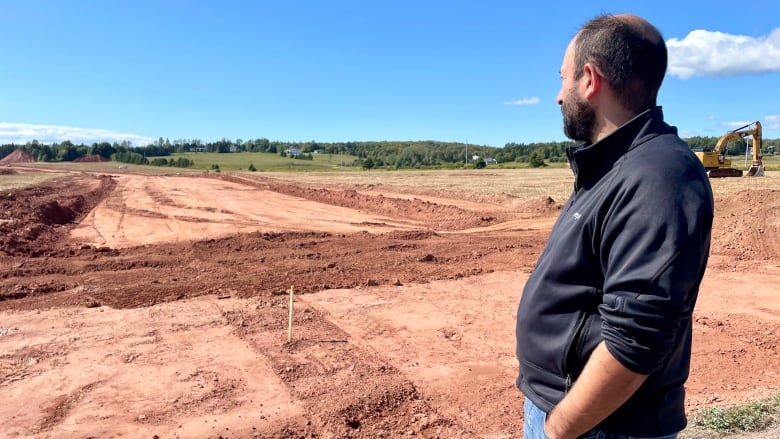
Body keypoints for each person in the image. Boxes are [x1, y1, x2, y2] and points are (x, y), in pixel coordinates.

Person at [515, 13, 714, 439]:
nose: (557, 96)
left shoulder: (658, 175)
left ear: (589, 80)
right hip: (574, 412)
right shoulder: (614, 166)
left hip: (598, 425)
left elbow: (636, 339)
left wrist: (559, 430)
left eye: (562, 79)